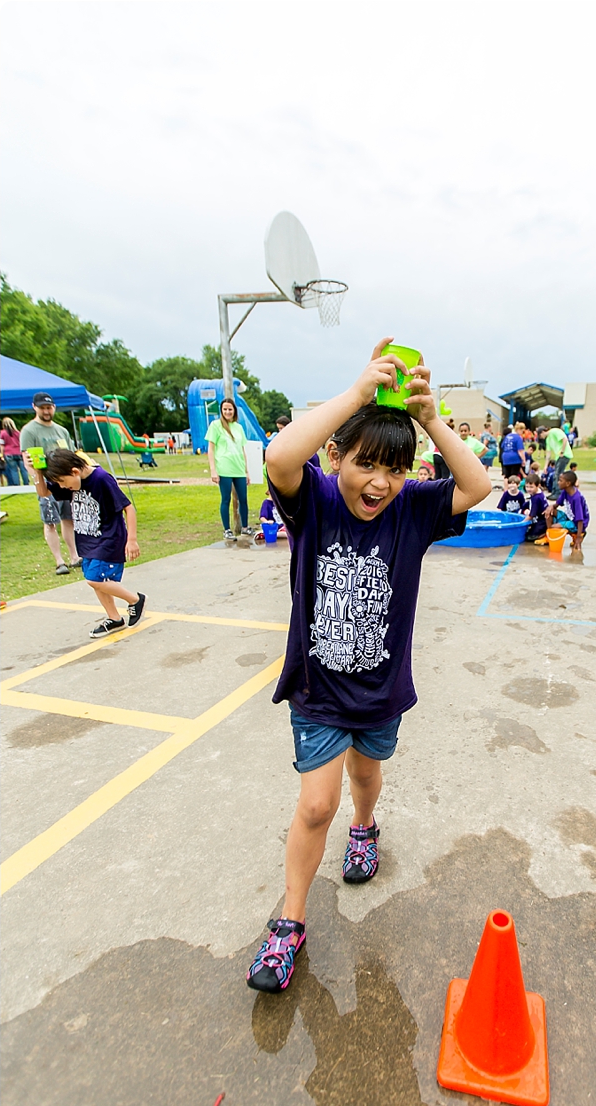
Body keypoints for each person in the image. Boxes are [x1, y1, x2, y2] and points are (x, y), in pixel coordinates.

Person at [246, 339, 491, 994]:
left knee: (365, 776)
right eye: (365, 464)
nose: (379, 482)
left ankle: (367, 826)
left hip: (381, 692)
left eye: (395, 468)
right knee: (315, 803)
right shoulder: (316, 500)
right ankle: (290, 918)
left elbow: (477, 484)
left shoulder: (412, 511)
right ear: (337, 458)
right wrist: (357, 394)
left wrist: (432, 418)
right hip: (318, 690)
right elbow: (277, 455)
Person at [34, 448, 146, 639]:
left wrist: (132, 540)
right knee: (97, 583)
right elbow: (44, 492)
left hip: (109, 538)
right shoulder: (71, 480)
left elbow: (129, 508)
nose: (62, 487)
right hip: (88, 540)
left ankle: (135, 600)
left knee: (95, 579)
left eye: (63, 482)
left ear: (75, 472)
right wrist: (37, 470)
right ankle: (114, 618)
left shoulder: (101, 479)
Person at [20, 392, 80, 575]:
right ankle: (59, 560)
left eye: (49, 407)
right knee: (50, 521)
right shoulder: (29, 431)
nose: (46, 411)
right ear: (35, 407)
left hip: (65, 481)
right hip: (46, 481)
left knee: (68, 518)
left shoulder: (62, 430)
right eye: (42, 408)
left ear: (53, 407)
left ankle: (74, 556)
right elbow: (27, 459)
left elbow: (72, 455)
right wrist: (39, 481)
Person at [206, 399, 255, 541]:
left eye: (230, 409)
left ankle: (245, 527)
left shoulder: (238, 427)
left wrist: (246, 471)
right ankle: (227, 529)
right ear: (221, 411)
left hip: (238, 468)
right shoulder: (215, 426)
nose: (227, 412)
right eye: (225, 409)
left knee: (243, 499)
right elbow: (211, 448)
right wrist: (213, 470)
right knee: (226, 499)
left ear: (234, 411)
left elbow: (242, 449)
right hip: (224, 468)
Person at [548, 470, 590, 547]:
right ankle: (548, 537)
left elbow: (580, 519)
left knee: (554, 528)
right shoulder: (565, 491)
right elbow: (556, 505)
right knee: (548, 512)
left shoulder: (576, 498)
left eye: (560, 480)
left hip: (577, 523)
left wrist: (578, 537)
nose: (558, 482)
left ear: (567, 483)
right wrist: (550, 507)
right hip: (569, 518)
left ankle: (578, 534)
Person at [1, 418, 30, 487]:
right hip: (19, 453)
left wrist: (1, 455)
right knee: (24, 470)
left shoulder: (2, 433)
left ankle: (17, 485)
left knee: (14, 470)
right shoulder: (18, 433)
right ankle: (26, 484)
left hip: (9, 454)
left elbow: (1, 445)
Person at [523, 472, 549, 542]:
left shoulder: (536, 498)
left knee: (528, 537)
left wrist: (522, 522)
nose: (528, 489)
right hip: (542, 518)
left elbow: (532, 515)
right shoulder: (538, 492)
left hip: (542, 521)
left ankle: (543, 534)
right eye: (527, 487)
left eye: (531, 487)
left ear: (538, 486)